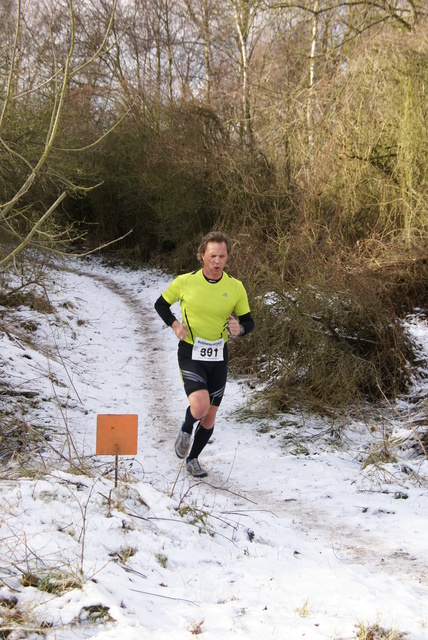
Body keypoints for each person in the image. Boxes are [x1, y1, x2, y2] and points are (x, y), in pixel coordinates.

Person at [154, 231, 254, 478]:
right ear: (202, 256)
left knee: (209, 416)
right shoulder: (185, 282)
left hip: (218, 356)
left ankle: (194, 459)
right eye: (212, 256)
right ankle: (186, 429)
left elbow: (248, 321)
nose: (217, 261)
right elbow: (161, 304)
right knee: (199, 406)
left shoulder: (235, 287)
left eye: (222, 256)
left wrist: (239, 329)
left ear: (227, 256)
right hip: (191, 351)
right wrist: (176, 325)